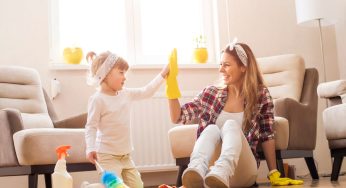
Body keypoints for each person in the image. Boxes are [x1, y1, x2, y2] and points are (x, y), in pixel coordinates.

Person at [165, 39, 303, 187]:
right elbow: (178, 116)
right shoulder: (211, 93)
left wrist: (274, 172)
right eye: (220, 64)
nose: (221, 70)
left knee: (230, 125)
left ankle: (223, 171)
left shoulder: (260, 95)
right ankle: (196, 168)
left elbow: (266, 134)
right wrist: (171, 84)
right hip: (210, 175)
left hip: (242, 171)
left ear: (243, 67)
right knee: (210, 129)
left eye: (227, 65)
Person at [84, 51, 169, 188]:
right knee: (115, 186)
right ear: (106, 74)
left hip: (126, 156)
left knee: (137, 186)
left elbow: (146, 91)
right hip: (106, 156)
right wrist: (90, 148)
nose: (125, 77)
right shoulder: (97, 99)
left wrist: (163, 74)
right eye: (121, 72)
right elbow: (91, 127)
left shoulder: (126, 94)